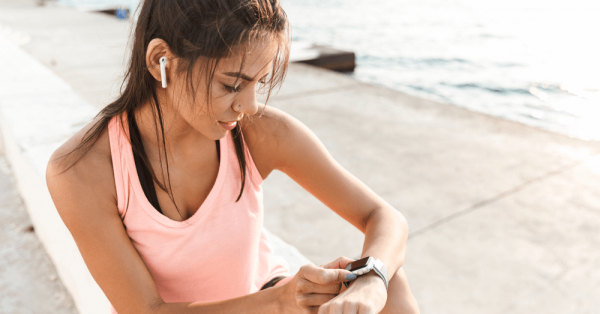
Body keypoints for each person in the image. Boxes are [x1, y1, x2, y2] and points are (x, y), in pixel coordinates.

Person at [46, 0, 420, 313]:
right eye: (232, 84)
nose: (250, 105)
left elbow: (383, 217)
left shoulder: (259, 133)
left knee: (390, 284)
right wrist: (280, 301)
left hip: (268, 299)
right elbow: (147, 311)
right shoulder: (83, 171)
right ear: (162, 60)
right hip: (263, 305)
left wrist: (373, 278)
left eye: (259, 82)